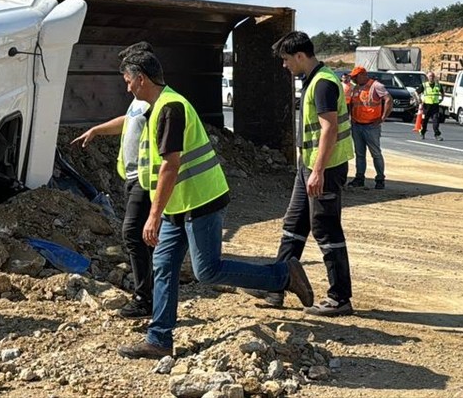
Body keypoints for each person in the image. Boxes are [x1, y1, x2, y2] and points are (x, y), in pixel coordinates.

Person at [116, 49, 313, 360]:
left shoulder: (170, 108)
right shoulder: (157, 107)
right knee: (163, 266)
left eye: (128, 81)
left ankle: (283, 276)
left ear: (141, 79)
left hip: (201, 200)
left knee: (207, 271)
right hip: (177, 205)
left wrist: (152, 216)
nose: (126, 87)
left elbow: (170, 165)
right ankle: (159, 339)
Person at [252, 31, 356, 316]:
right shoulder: (313, 81)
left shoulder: (323, 84)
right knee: (294, 226)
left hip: (325, 168)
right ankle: (277, 286)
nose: (284, 65)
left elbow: (329, 128)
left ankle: (340, 297)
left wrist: (318, 171)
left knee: (325, 228)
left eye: (286, 59)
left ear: (300, 56)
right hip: (308, 166)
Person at [71, 41, 155, 319]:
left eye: (128, 77)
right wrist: (97, 130)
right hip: (133, 177)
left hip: (145, 179)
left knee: (133, 233)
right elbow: (129, 121)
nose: (125, 83)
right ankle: (151, 291)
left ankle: (145, 298)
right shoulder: (139, 100)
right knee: (139, 236)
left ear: (140, 72)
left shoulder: (154, 100)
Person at [345, 67, 391, 190]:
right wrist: (351, 118)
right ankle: (359, 178)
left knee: (375, 153)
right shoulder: (356, 87)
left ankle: (380, 179)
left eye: (355, 76)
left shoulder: (376, 86)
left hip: (371, 126)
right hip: (357, 125)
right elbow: (352, 104)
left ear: (363, 75)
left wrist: (382, 118)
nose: (353, 79)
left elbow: (388, 99)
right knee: (359, 154)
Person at [418, 71, 445, 140]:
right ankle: (422, 133)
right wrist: (419, 99)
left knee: (436, 121)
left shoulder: (438, 85)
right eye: (430, 76)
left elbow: (442, 92)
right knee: (424, 121)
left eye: (432, 76)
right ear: (427, 77)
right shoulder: (424, 85)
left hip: (435, 106)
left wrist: (442, 99)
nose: (431, 78)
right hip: (426, 106)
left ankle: (437, 135)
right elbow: (416, 92)